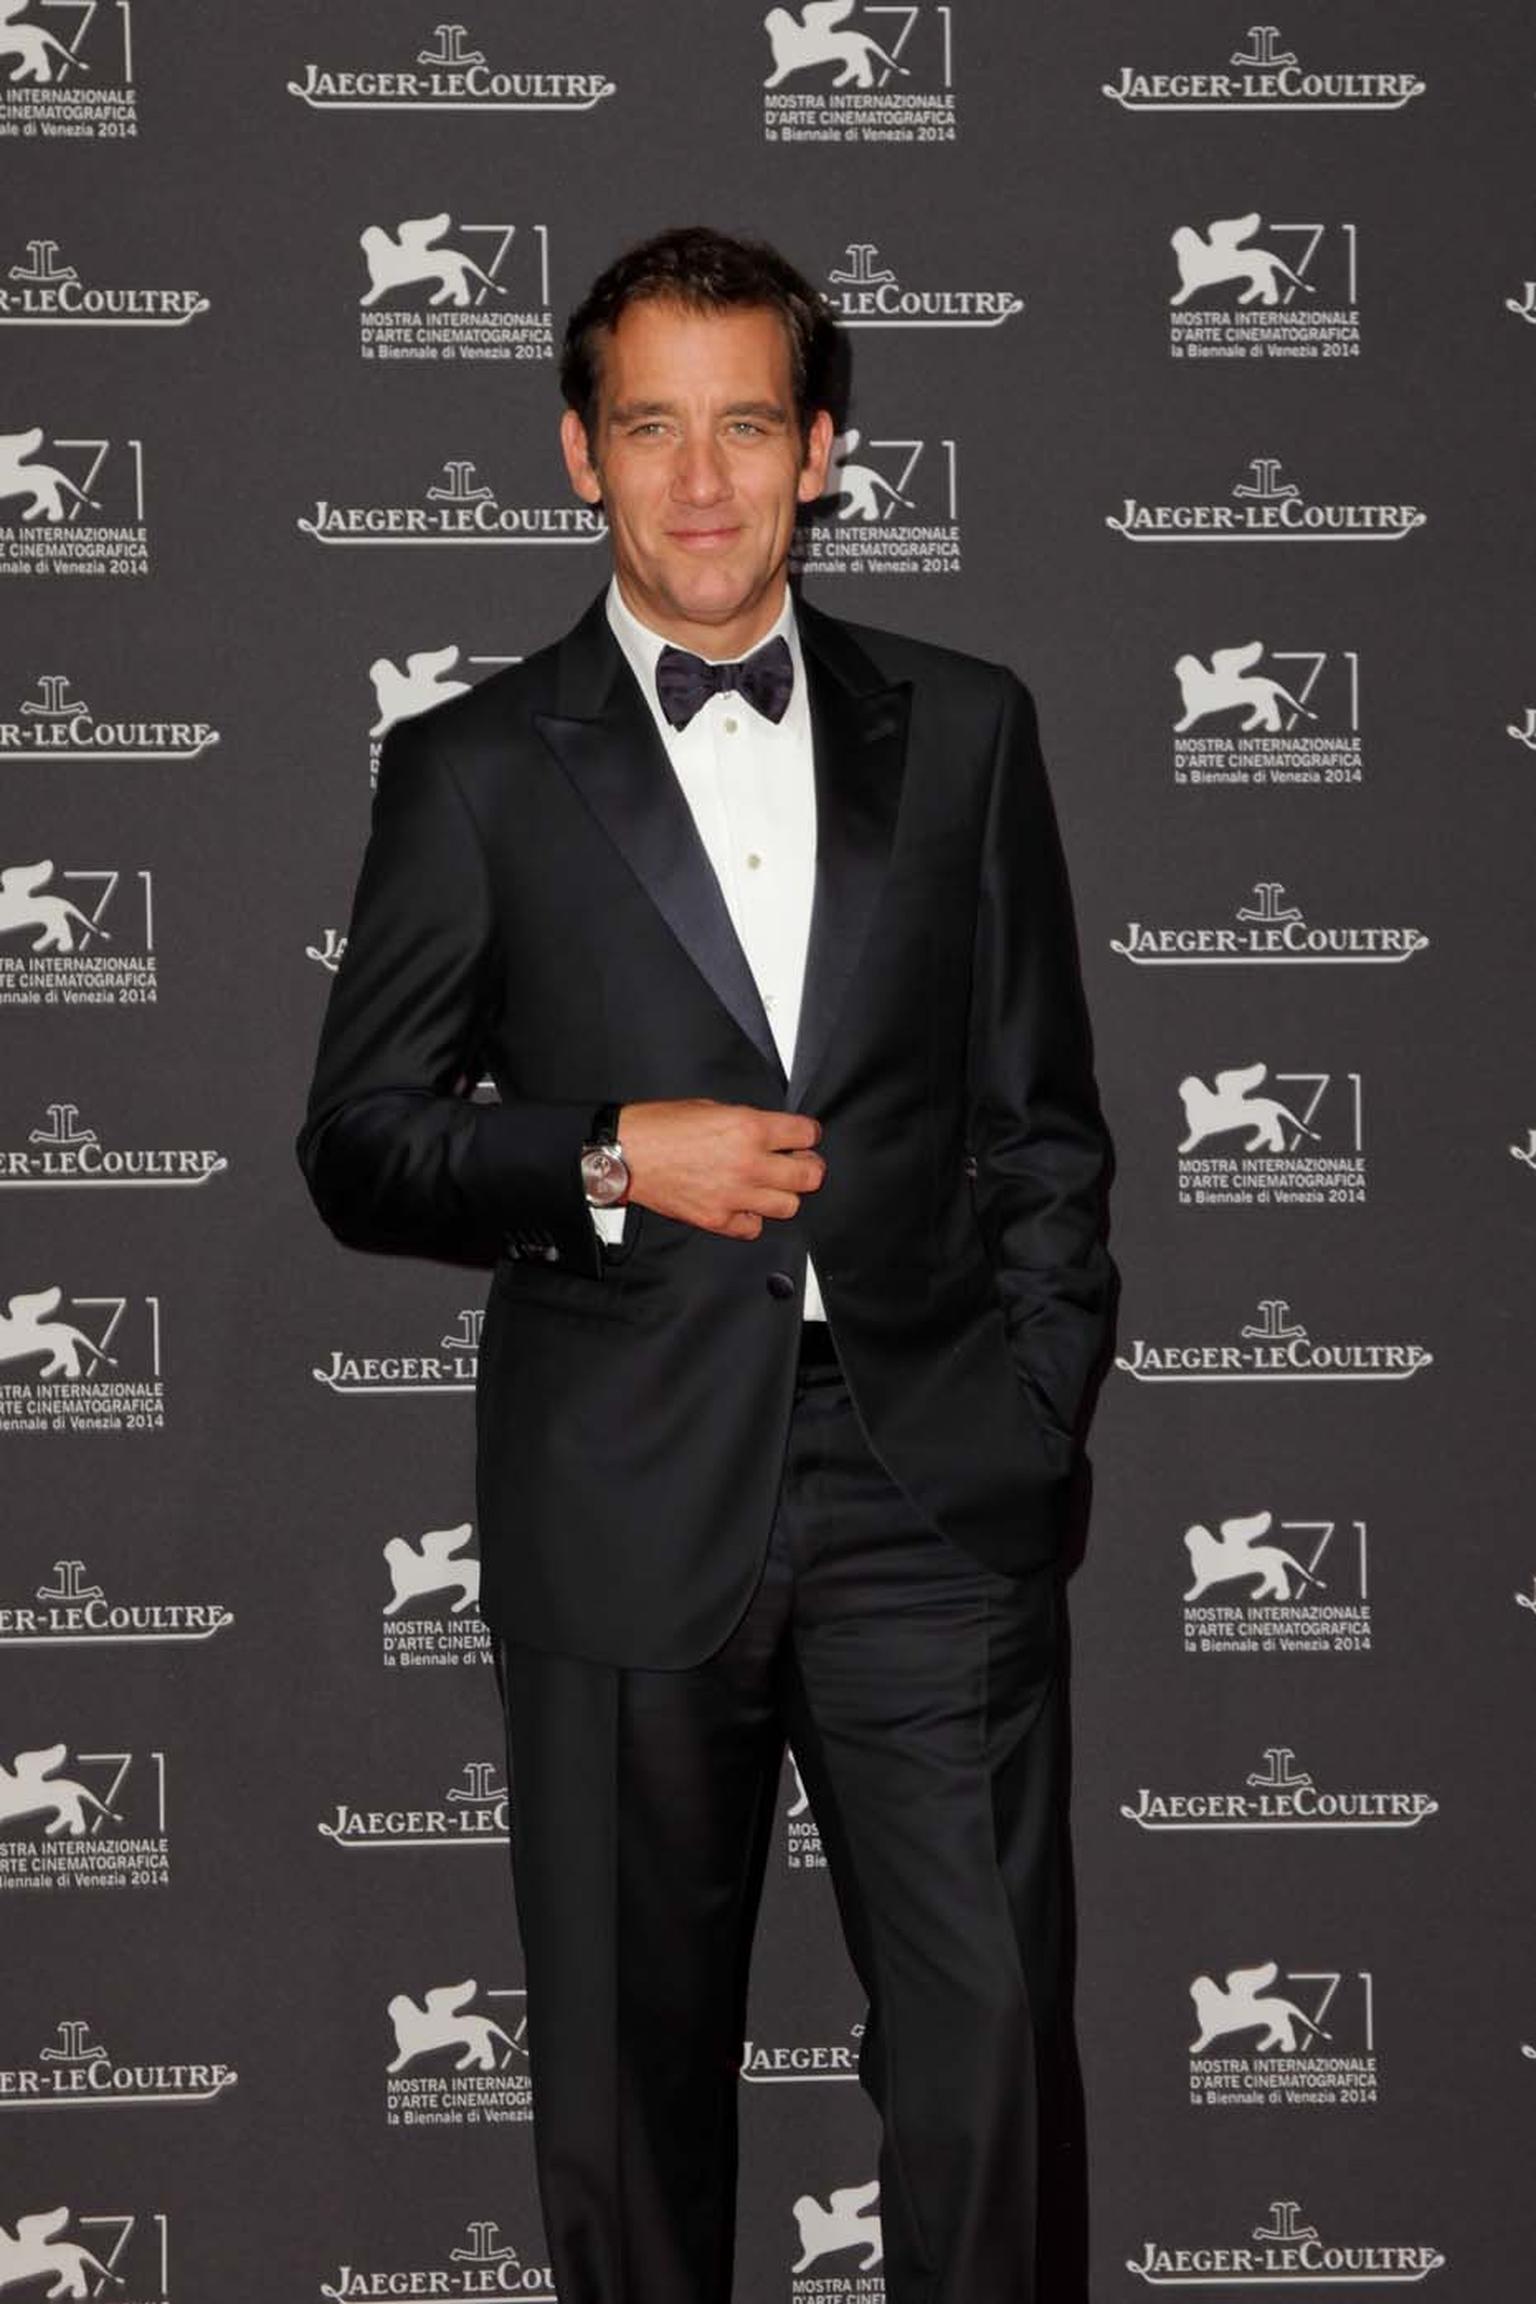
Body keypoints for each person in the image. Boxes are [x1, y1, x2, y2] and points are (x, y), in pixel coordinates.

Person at [299, 225, 1114, 2304]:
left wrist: (1030, 1417)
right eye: (649, 426)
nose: (699, 481)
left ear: (822, 449)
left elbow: (1042, 1125)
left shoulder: (970, 726)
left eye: (746, 423)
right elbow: (363, 1146)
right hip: (626, 1491)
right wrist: (598, 1153)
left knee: (994, 2063)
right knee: (626, 2100)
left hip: (934, 1488)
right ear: (579, 453)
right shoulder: (472, 769)